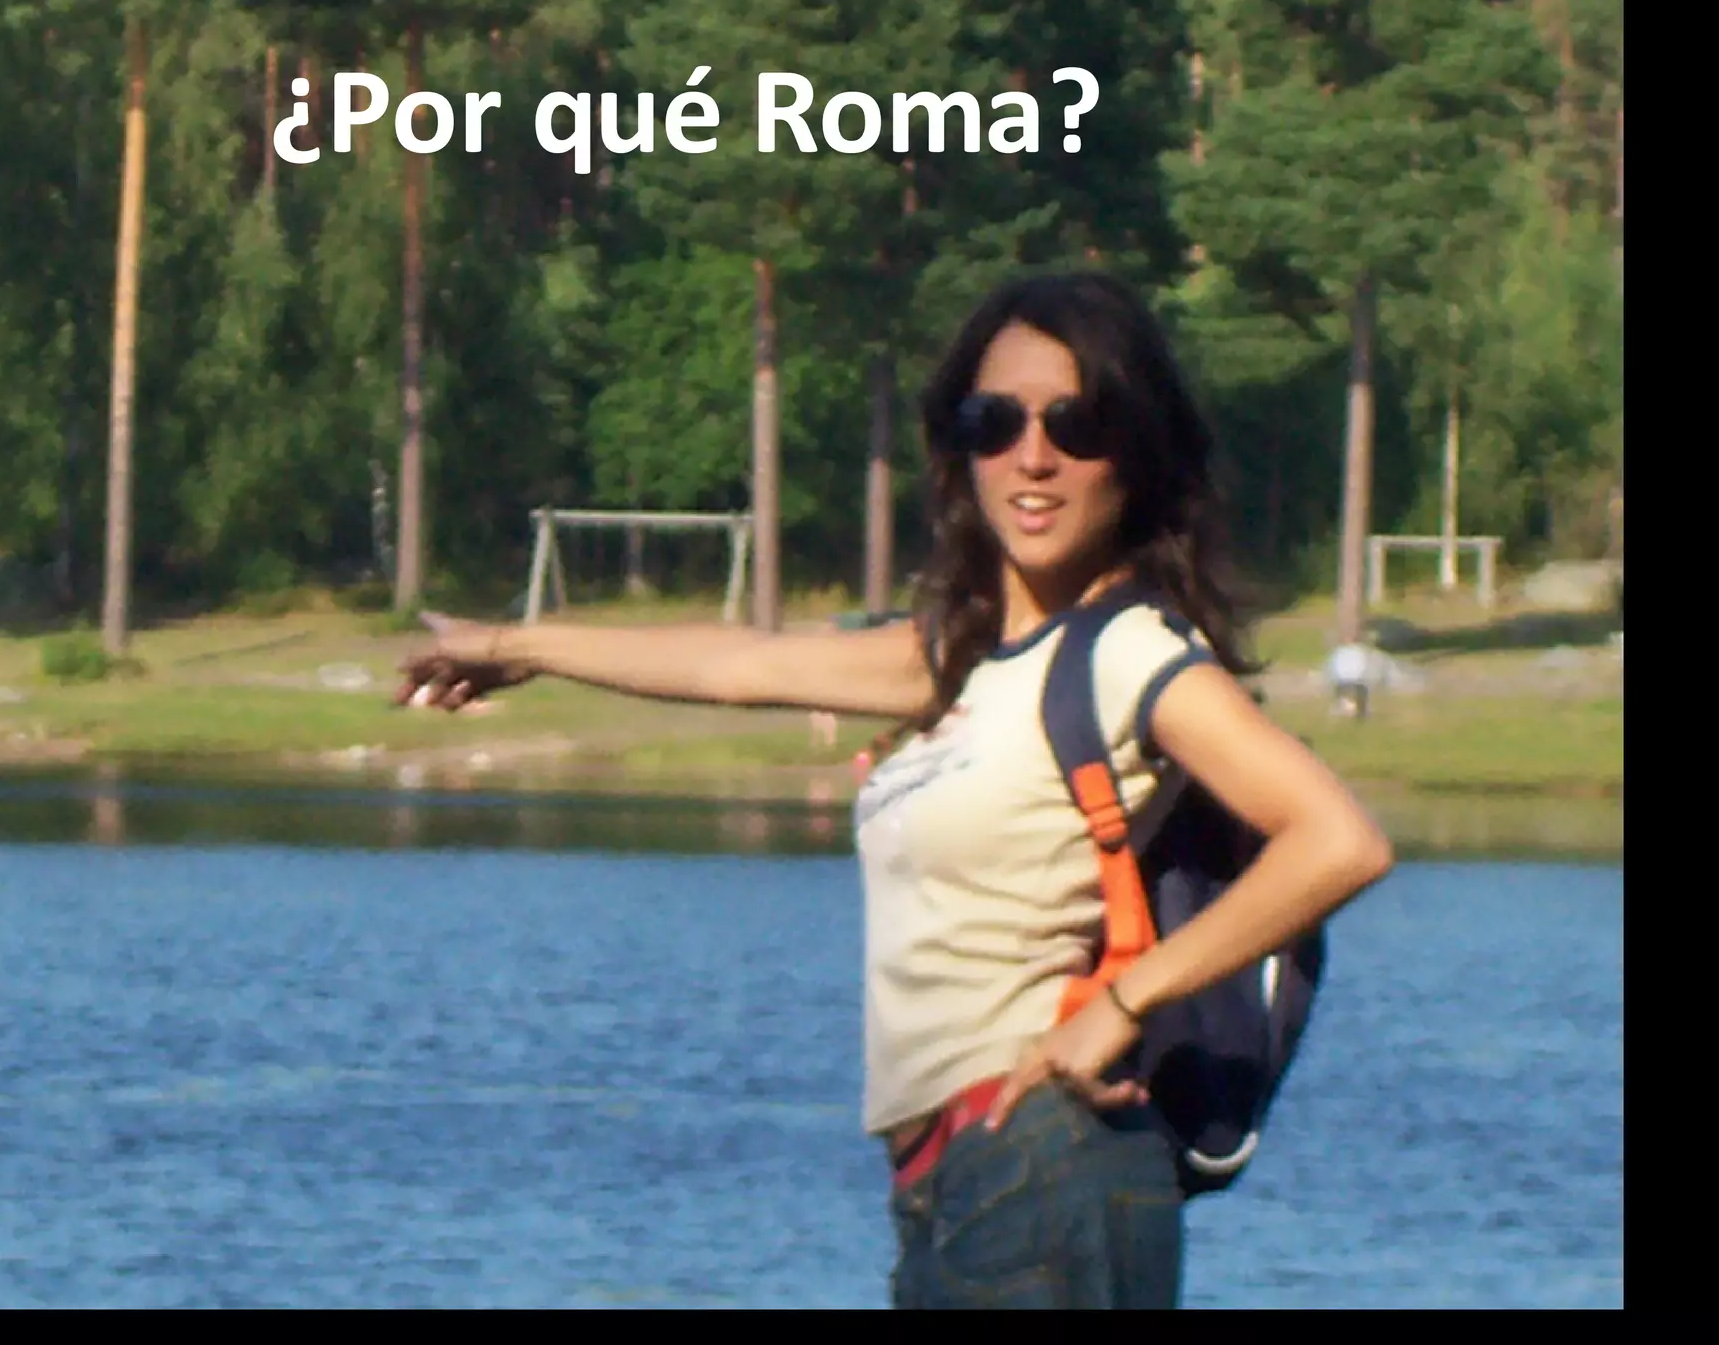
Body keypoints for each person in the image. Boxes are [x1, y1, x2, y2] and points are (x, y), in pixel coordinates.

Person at [393, 270, 1395, 1309]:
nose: (1033, 456)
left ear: (1135, 453)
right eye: (994, 421)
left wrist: (1122, 1005)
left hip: (1046, 1157)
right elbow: (739, 665)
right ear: (960, 448)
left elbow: (1338, 841)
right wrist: (516, 647)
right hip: (951, 1180)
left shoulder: (1128, 652)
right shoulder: (966, 659)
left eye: (1076, 424)